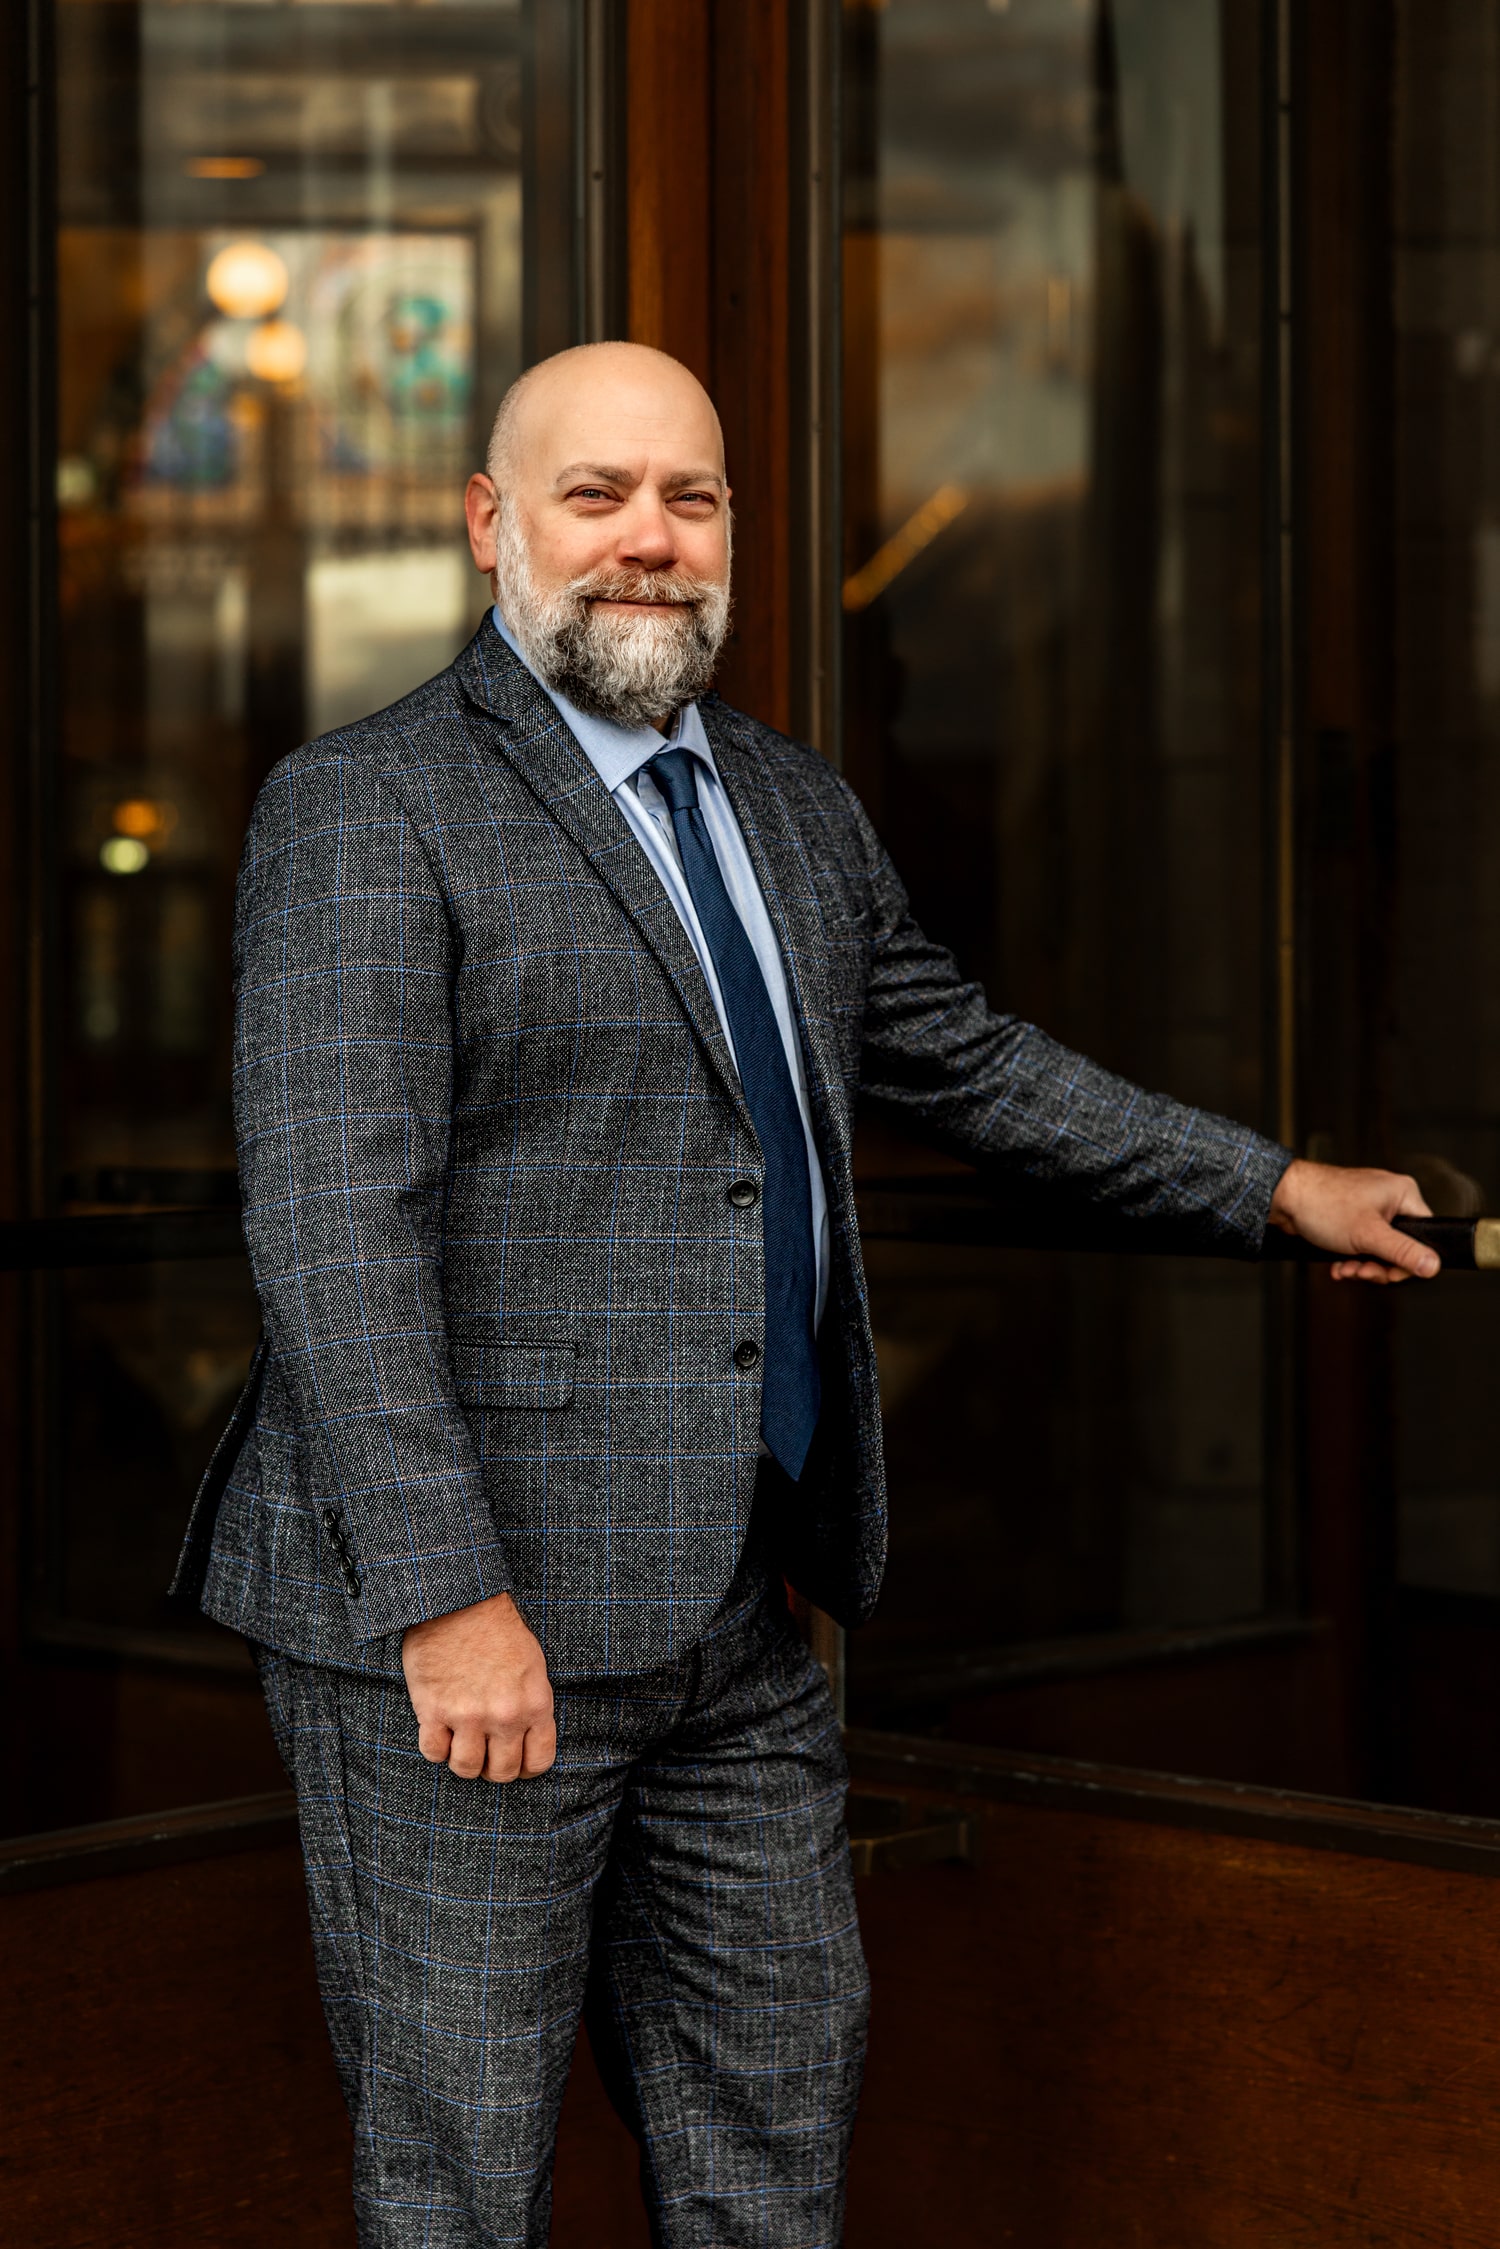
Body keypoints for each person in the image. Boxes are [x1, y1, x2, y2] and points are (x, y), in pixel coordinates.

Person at [174, 341, 1436, 2248]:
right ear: (489, 526)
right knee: (459, 2181)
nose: (648, 542)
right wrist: (448, 1600)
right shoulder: (367, 808)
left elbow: (972, 1062)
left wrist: (1266, 1181)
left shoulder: (786, 800)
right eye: (595, 497)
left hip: (738, 1613)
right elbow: (337, 1225)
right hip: (475, 1633)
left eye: (691, 499)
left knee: (773, 2129)